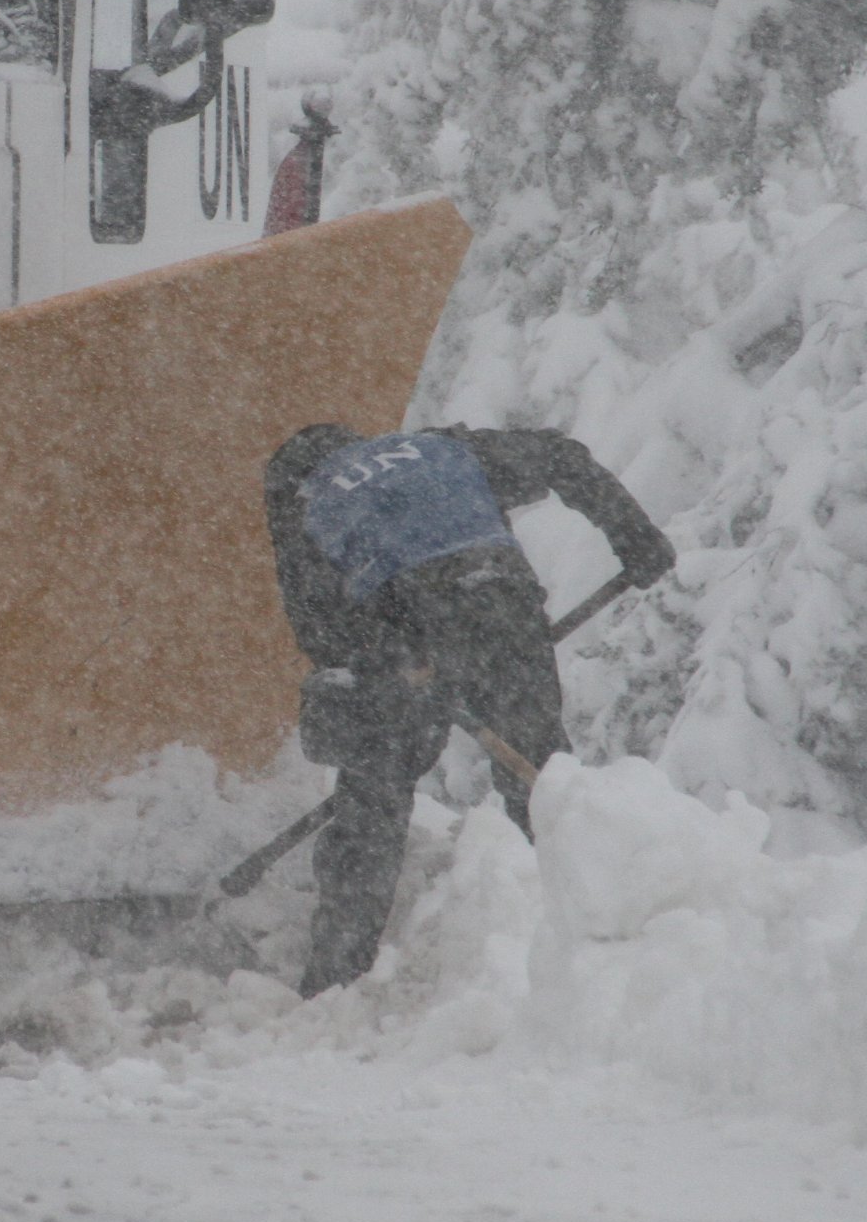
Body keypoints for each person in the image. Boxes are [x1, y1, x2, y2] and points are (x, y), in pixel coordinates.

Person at [264, 423, 674, 996]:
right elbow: (561, 456)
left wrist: (391, 665)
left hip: (406, 612)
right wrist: (636, 538)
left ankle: (336, 977)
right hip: (502, 599)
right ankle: (599, 934)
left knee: (372, 802)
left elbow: (319, 624)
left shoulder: (305, 499)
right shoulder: (443, 447)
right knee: (540, 778)